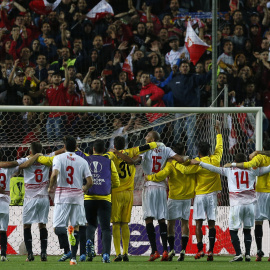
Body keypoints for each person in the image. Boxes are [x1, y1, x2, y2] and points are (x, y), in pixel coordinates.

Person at [191, 153, 270, 262]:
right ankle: (247, 254)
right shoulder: (253, 170)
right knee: (247, 230)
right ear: (245, 161)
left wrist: (200, 163)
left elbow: (213, 168)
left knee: (233, 230)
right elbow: (267, 169)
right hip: (250, 205)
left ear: (234, 160)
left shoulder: (229, 170)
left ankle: (238, 254)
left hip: (236, 205)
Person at [104, 136, 162, 262]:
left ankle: (118, 254)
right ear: (125, 144)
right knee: (125, 224)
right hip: (129, 193)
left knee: (115, 224)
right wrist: (158, 143)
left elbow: (103, 159)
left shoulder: (111, 154)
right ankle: (125, 253)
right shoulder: (132, 151)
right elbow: (148, 146)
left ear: (114, 145)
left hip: (116, 192)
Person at [170, 121, 223, 261]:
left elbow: (185, 170)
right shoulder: (215, 160)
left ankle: (200, 250)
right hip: (212, 196)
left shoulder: (197, 163)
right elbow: (220, 147)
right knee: (211, 223)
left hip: (200, 196)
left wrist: (174, 162)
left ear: (199, 152)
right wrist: (218, 132)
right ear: (209, 150)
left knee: (198, 223)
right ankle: (210, 251)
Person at [133, 131, 188, 261]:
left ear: (152, 138)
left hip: (149, 185)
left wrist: (129, 158)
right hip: (162, 188)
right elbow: (180, 159)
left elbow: (136, 160)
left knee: (149, 218)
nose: (145, 138)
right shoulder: (166, 149)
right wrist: (189, 160)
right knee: (162, 219)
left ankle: (154, 251)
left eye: (146, 136)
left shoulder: (146, 148)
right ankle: (165, 251)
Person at [144, 142, 195, 261]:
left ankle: (171, 249)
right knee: (185, 223)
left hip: (175, 197)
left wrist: (149, 177)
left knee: (171, 224)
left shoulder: (171, 164)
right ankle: (183, 250)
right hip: (188, 197)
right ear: (184, 151)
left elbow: (161, 175)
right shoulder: (189, 162)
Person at [48, 136, 93, 265]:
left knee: (57, 227)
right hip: (77, 197)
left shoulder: (58, 158)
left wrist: (50, 187)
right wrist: (83, 188)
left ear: (65, 146)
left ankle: (68, 242)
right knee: (76, 226)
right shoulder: (82, 160)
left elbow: (55, 174)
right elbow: (90, 182)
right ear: (76, 147)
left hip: (62, 196)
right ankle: (73, 258)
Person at [75, 139, 120, 263]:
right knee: (105, 228)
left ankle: (86, 249)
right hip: (105, 199)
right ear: (104, 150)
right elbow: (116, 182)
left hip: (88, 198)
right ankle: (105, 255)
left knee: (90, 225)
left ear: (93, 149)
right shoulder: (109, 162)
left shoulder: (86, 160)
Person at [227, 138, 270, 261]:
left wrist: (235, 164)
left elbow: (249, 165)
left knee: (258, 222)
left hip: (261, 192)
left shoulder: (260, 158)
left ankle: (259, 250)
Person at [20, 142, 64, 262]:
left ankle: (30, 254)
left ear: (30, 151)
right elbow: (58, 152)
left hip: (30, 198)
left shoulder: (26, 159)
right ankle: (43, 253)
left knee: (26, 225)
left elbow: (20, 166)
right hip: (44, 198)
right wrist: (65, 148)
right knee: (42, 225)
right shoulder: (47, 158)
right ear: (41, 151)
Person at [0, 153, 29, 261]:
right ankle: (3, 255)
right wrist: (29, 158)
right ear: (3, 158)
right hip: (4, 203)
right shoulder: (8, 170)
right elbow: (22, 166)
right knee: (3, 230)